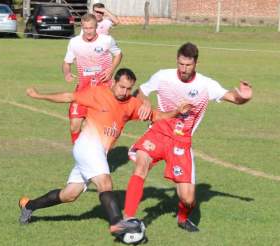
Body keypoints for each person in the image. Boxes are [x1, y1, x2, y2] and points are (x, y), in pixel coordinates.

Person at [18, 68, 192, 238]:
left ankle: (29, 206)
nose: (124, 92)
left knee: (69, 194)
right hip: (87, 145)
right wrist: (39, 95)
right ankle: (118, 224)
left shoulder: (132, 104)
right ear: (114, 82)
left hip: (99, 152)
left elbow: (158, 116)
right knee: (105, 183)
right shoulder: (98, 93)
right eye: (121, 87)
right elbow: (68, 96)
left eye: (128, 88)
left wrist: (177, 111)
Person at [122, 42, 253, 232]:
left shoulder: (205, 85)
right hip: (158, 133)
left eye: (188, 65)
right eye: (181, 64)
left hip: (181, 143)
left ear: (196, 64)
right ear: (177, 60)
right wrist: (145, 103)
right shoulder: (163, 76)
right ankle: (128, 219)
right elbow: (142, 91)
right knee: (141, 164)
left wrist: (244, 97)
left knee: (188, 198)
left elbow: (233, 98)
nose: (183, 69)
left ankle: (183, 218)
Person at [62, 13, 122, 144]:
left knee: (98, 127)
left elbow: (118, 54)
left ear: (96, 27)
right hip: (83, 89)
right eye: (85, 28)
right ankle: (79, 153)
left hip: (103, 90)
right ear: (82, 27)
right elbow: (67, 63)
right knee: (74, 125)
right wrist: (67, 73)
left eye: (91, 28)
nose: (88, 31)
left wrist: (111, 70)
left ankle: (97, 155)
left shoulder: (106, 40)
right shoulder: (74, 42)